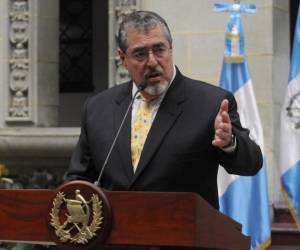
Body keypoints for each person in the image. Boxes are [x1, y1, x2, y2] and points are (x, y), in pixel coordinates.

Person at [66, 10, 262, 217]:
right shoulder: (98, 108)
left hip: (183, 235)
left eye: (159, 49)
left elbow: (252, 164)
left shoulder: (211, 103)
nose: (152, 62)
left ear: (171, 49)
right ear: (123, 58)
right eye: (140, 54)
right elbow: (79, 179)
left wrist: (229, 143)